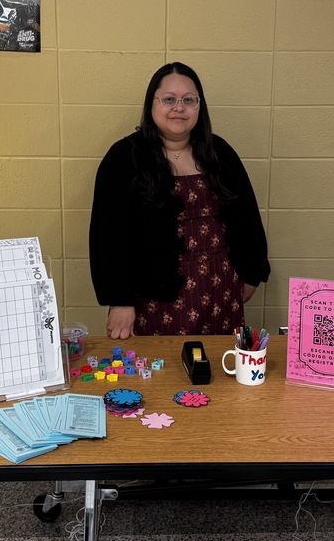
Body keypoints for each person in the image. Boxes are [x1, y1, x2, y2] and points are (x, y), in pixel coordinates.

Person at [89, 62, 270, 340]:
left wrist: (252, 274)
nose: (179, 108)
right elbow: (109, 236)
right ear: (152, 104)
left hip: (222, 290)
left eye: (189, 100)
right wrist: (120, 300)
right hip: (157, 297)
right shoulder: (125, 158)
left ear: (200, 106)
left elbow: (247, 218)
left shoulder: (219, 152)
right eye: (169, 99)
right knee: (162, 375)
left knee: (219, 376)